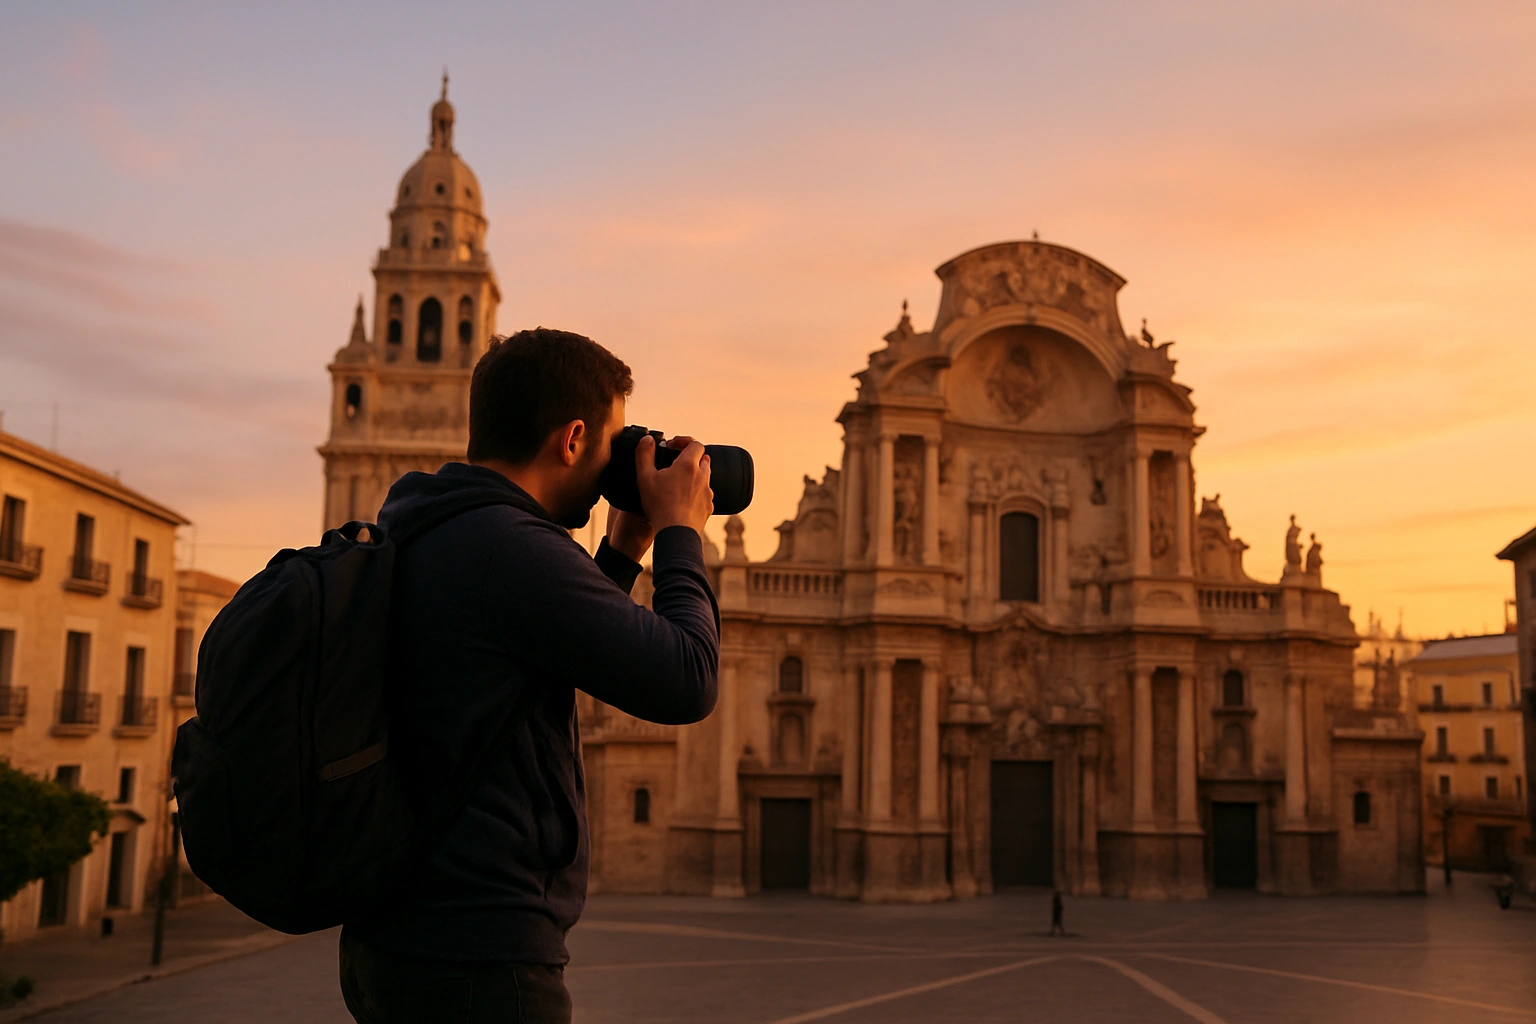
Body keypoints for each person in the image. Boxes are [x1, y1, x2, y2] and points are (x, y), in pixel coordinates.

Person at [338, 328, 720, 1024]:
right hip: (479, 960)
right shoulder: (510, 547)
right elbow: (688, 678)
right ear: (573, 440)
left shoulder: (430, 522)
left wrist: (621, 553)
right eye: (612, 446)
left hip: (401, 941)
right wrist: (680, 532)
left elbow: (534, 663)